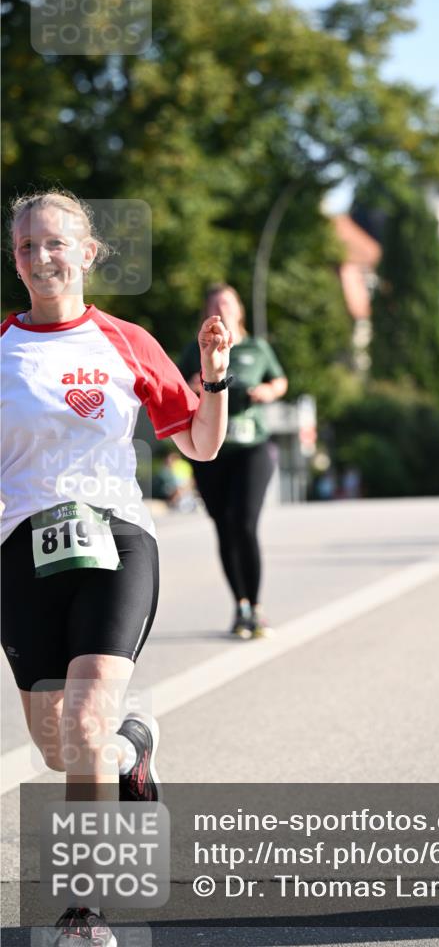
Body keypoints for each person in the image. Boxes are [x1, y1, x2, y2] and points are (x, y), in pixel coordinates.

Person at [1, 191, 233, 947]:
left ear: (89, 253)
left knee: (81, 717)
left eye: (56, 243)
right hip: (21, 550)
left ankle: (83, 912)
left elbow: (198, 443)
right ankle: (133, 748)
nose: (42, 258)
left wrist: (213, 377)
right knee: (63, 749)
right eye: (27, 246)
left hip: (115, 540)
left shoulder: (125, 341)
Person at [179, 285, 287, 639]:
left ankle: (256, 607)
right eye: (214, 304)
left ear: (239, 309)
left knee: (244, 521)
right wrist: (199, 383)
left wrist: (268, 391)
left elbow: (280, 380)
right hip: (211, 453)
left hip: (251, 446)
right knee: (224, 527)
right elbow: (177, 389)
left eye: (227, 302)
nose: (221, 308)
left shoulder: (257, 348)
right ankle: (240, 605)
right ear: (206, 313)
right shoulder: (195, 349)